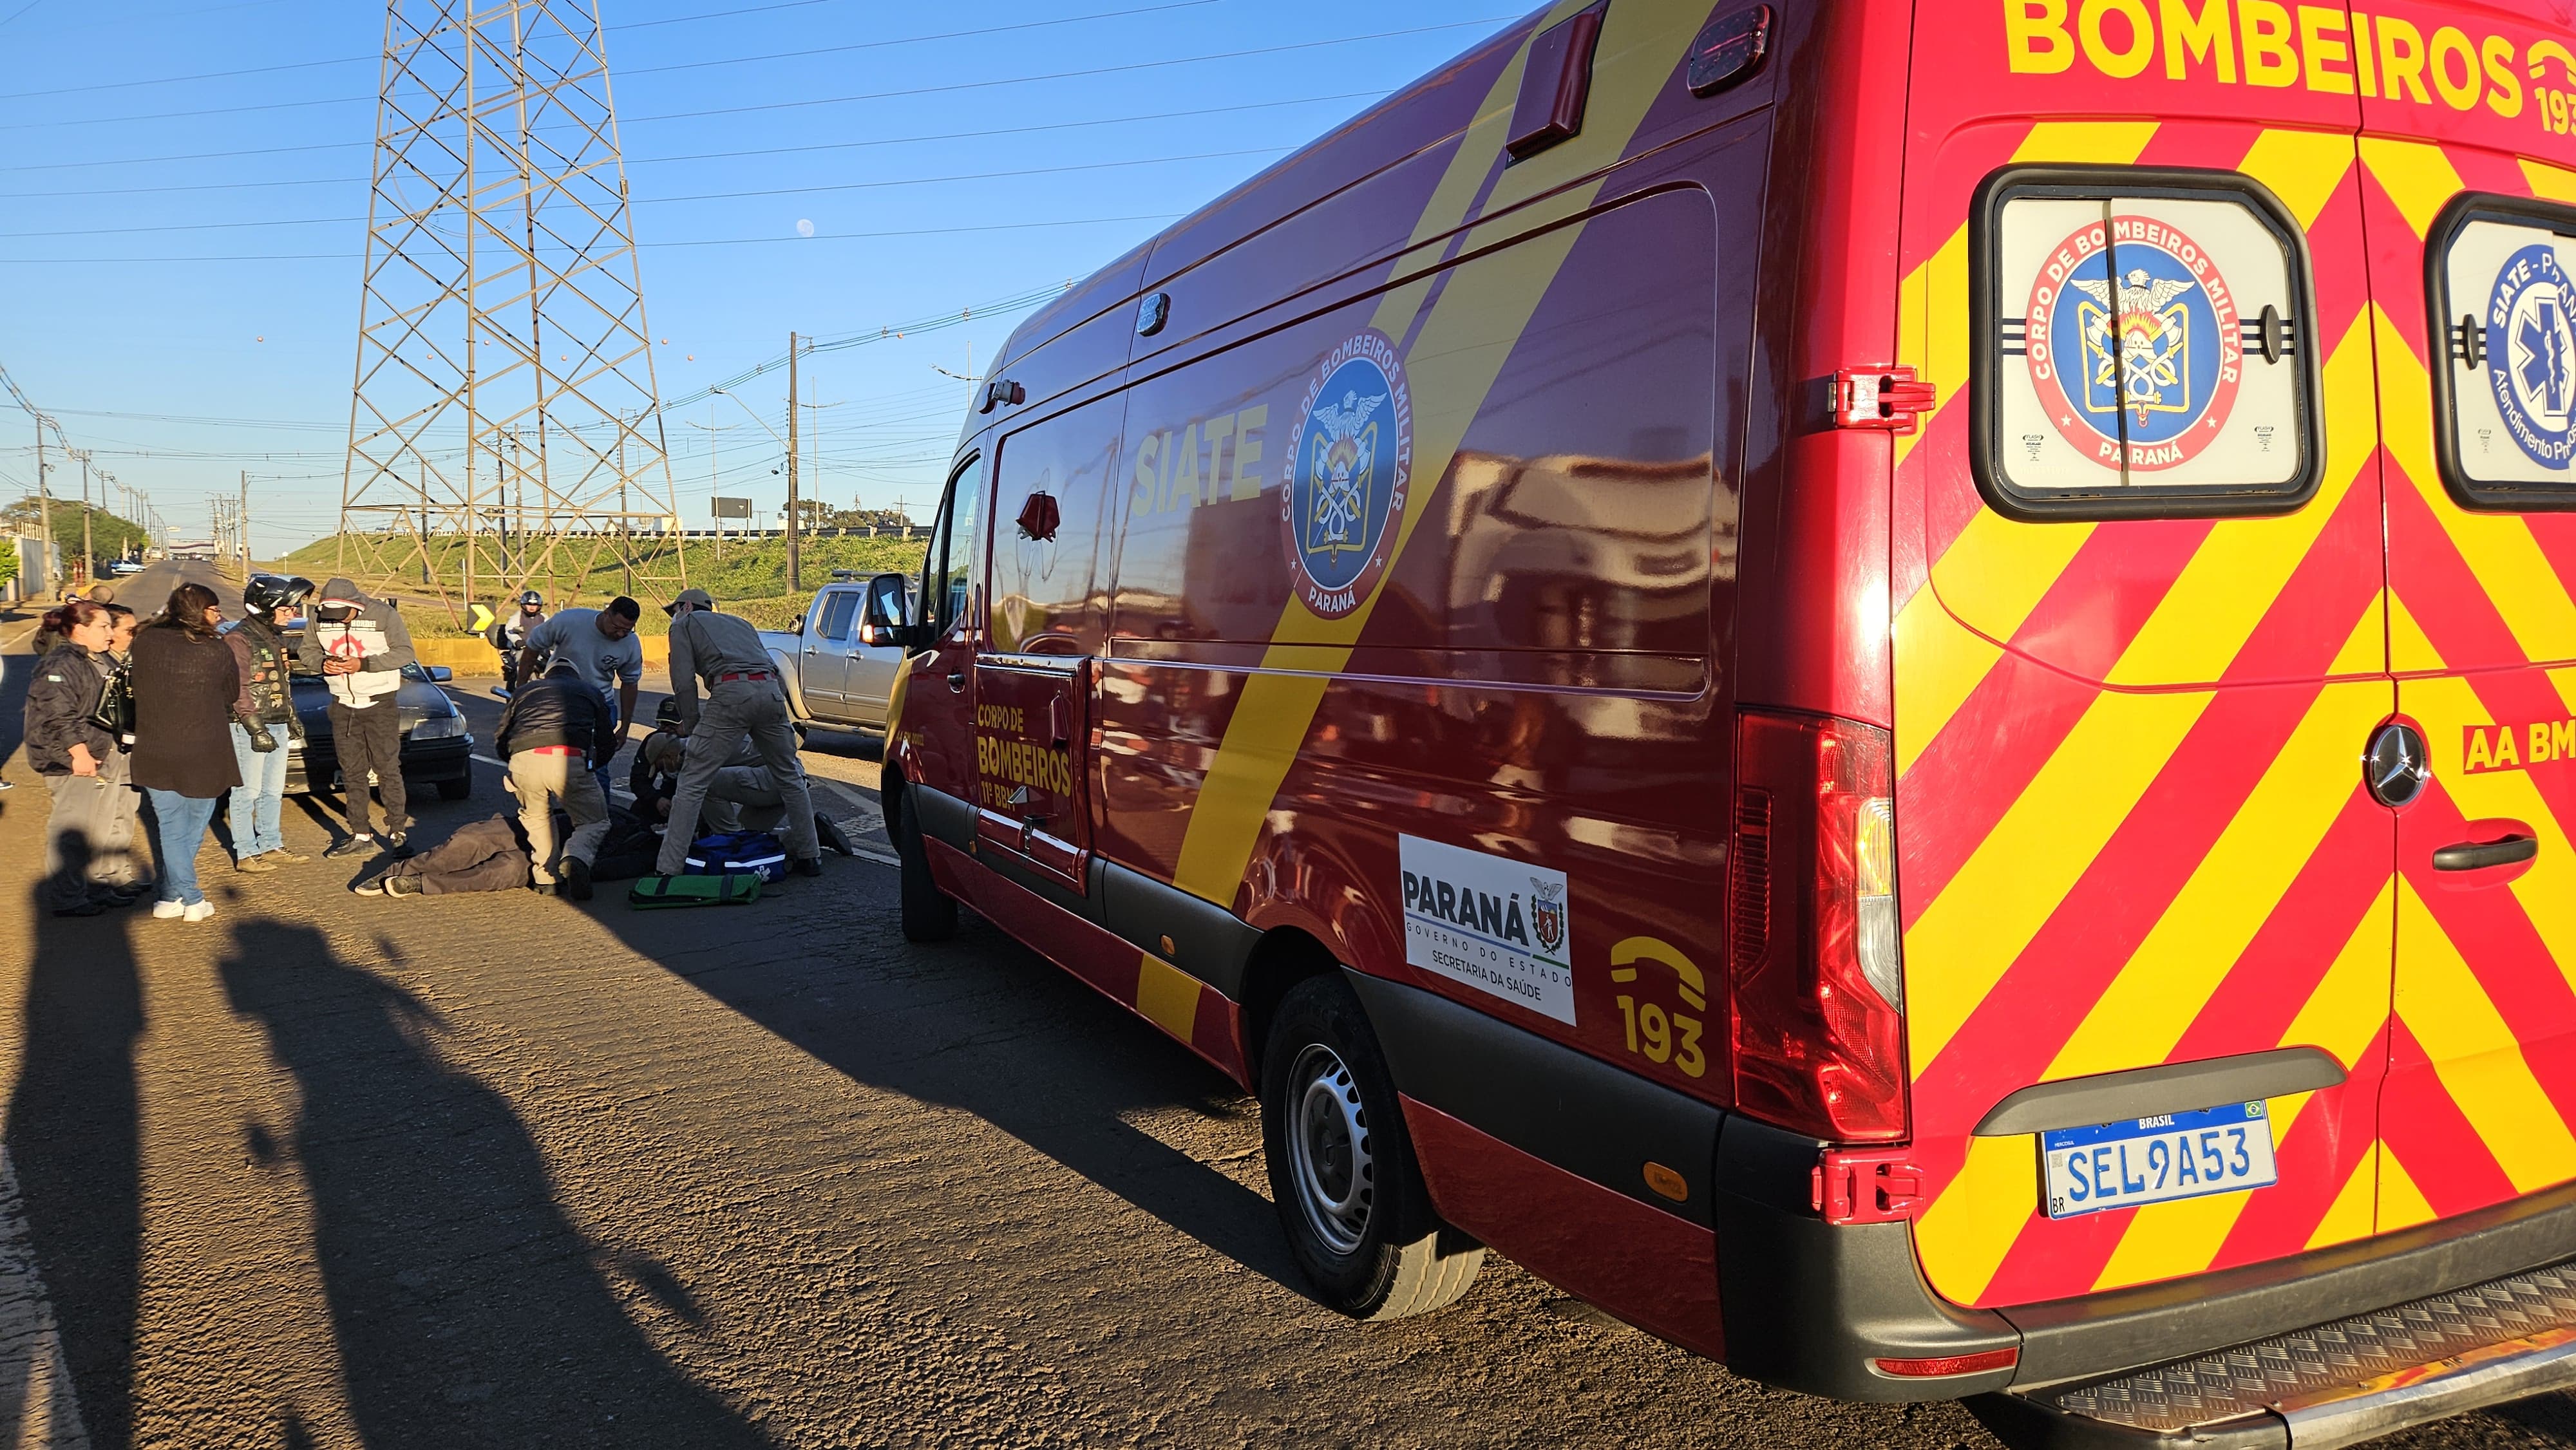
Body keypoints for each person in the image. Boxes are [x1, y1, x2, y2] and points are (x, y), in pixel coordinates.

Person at [654, 588, 822, 879]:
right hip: (770, 690)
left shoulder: (684, 624)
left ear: (688, 606)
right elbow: (772, 668)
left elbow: (682, 681)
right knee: (789, 776)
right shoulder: (742, 624)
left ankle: (668, 868)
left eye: (675, 610)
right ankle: (810, 856)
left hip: (731, 690)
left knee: (693, 780)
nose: (673, 616)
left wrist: (693, 726)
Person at [24, 598, 147, 916]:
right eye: (103, 626)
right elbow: (57, 714)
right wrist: (77, 752)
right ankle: (68, 899)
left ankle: (94, 887)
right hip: (71, 759)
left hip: (99, 752)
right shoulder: (60, 663)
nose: (110, 633)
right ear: (80, 629)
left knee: (97, 828)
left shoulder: (99, 657)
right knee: (73, 830)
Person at [130, 583, 242, 922]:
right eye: (214, 609)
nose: (218, 615)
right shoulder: (214, 648)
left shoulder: (145, 641)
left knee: (170, 827)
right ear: (199, 611)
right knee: (191, 827)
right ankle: (192, 898)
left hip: (154, 747)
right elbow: (232, 693)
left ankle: (169, 896)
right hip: (204, 750)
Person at [299, 578, 419, 859]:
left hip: (380, 703)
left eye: (342, 615)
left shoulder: (385, 614)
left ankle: (398, 833)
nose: (335, 620)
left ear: (356, 605)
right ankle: (360, 834)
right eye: (330, 615)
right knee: (352, 772)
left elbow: (405, 653)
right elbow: (307, 651)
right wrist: (321, 663)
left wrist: (364, 664)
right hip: (342, 704)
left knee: (387, 769)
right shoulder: (319, 617)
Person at [496, 658, 612, 901]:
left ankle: (546, 879)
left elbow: (502, 734)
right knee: (595, 821)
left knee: (537, 818)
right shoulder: (590, 691)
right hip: (569, 758)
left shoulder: (524, 691)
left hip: (525, 758)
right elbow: (605, 739)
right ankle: (575, 857)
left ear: (546, 676)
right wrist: (592, 766)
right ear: (576, 676)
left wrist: (514, 761)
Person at [224, 574, 314, 873]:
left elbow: (281, 682)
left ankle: (272, 845)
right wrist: (256, 728)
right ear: (264, 607)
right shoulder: (238, 638)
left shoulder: (274, 636)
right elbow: (239, 688)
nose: (294, 614)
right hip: (249, 726)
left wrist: (291, 716)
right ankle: (247, 853)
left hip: (276, 721)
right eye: (287, 609)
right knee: (246, 792)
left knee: (273, 791)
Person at [516, 598, 642, 793]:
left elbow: (630, 683)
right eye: (617, 628)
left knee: (597, 765)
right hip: (558, 703)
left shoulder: (630, 643)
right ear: (606, 613)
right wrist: (520, 692)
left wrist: (625, 726)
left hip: (600, 706)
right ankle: (552, 813)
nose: (620, 634)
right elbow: (533, 647)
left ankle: (600, 818)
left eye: (627, 630)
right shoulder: (570, 621)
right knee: (552, 760)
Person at [353, 817, 531, 898]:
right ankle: (397, 871)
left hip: (553, 853)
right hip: (541, 818)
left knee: (506, 869)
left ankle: (420, 883)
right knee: (469, 841)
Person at [488, 588, 547, 693]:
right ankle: (520, 688)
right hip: (521, 648)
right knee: (523, 662)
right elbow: (510, 630)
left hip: (541, 649)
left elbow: (552, 631)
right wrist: (518, 641)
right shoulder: (517, 617)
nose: (532, 607)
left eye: (534, 605)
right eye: (529, 605)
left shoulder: (544, 618)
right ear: (523, 605)